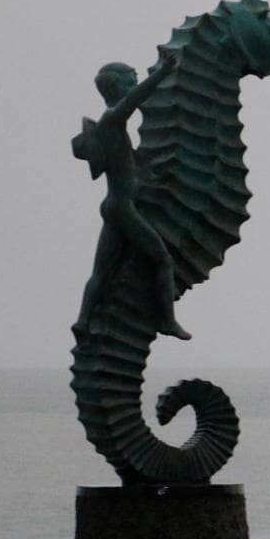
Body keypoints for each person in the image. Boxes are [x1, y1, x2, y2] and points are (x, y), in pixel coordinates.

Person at [72, 50, 192, 342]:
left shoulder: (111, 126)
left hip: (114, 206)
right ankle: (167, 320)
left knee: (102, 270)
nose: (134, 86)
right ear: (116, 88)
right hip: (123, 207)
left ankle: (82, 321)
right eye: (130, 81)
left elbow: (130, 167)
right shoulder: (112, 118)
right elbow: (133, 101)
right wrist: (161, 75)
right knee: (163, 259)